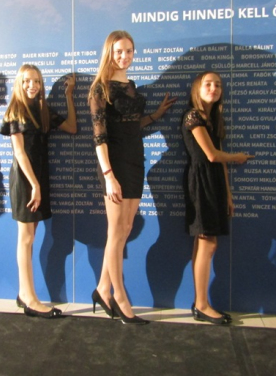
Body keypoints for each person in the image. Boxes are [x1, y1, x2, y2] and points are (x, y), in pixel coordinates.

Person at [89, 30, 176, 324]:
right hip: (113, 165)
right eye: (118, 51)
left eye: (128, 51)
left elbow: (132, 125)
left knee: (124, 229)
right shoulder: (100, 89)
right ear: (109, 53)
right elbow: (99, 137)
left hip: (136, 161)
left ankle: (102, 289)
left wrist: (156, 115)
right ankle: (120, 297)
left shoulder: (132, 87)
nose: (124, 56)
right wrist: (108, 175)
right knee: (116, 232)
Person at [0, 65, 77, 318]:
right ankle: (29, 298)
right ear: (19, 83)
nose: (32, 86)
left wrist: (68, 96)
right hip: (25, 180)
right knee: (26, 238)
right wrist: (34, 185)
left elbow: (72, 127)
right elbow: (19, 153)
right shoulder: (15, 111)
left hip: (39, 179)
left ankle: (25, 294)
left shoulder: (43, 110)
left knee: (30, 238)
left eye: (36, 81)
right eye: (27, 81)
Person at [181, 71, 253, 324]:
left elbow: (219, 161)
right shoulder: (192, 116)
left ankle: (200, 303)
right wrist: (238, 157)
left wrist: (228, 194)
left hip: (214, 184)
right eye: (208, 84)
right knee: (207, 243)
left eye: (218, 85)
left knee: (204, 243)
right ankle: (202, 305)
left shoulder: (213, 119)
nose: (213, 88)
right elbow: (212, 155)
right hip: (201, 182)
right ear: (197, 89)